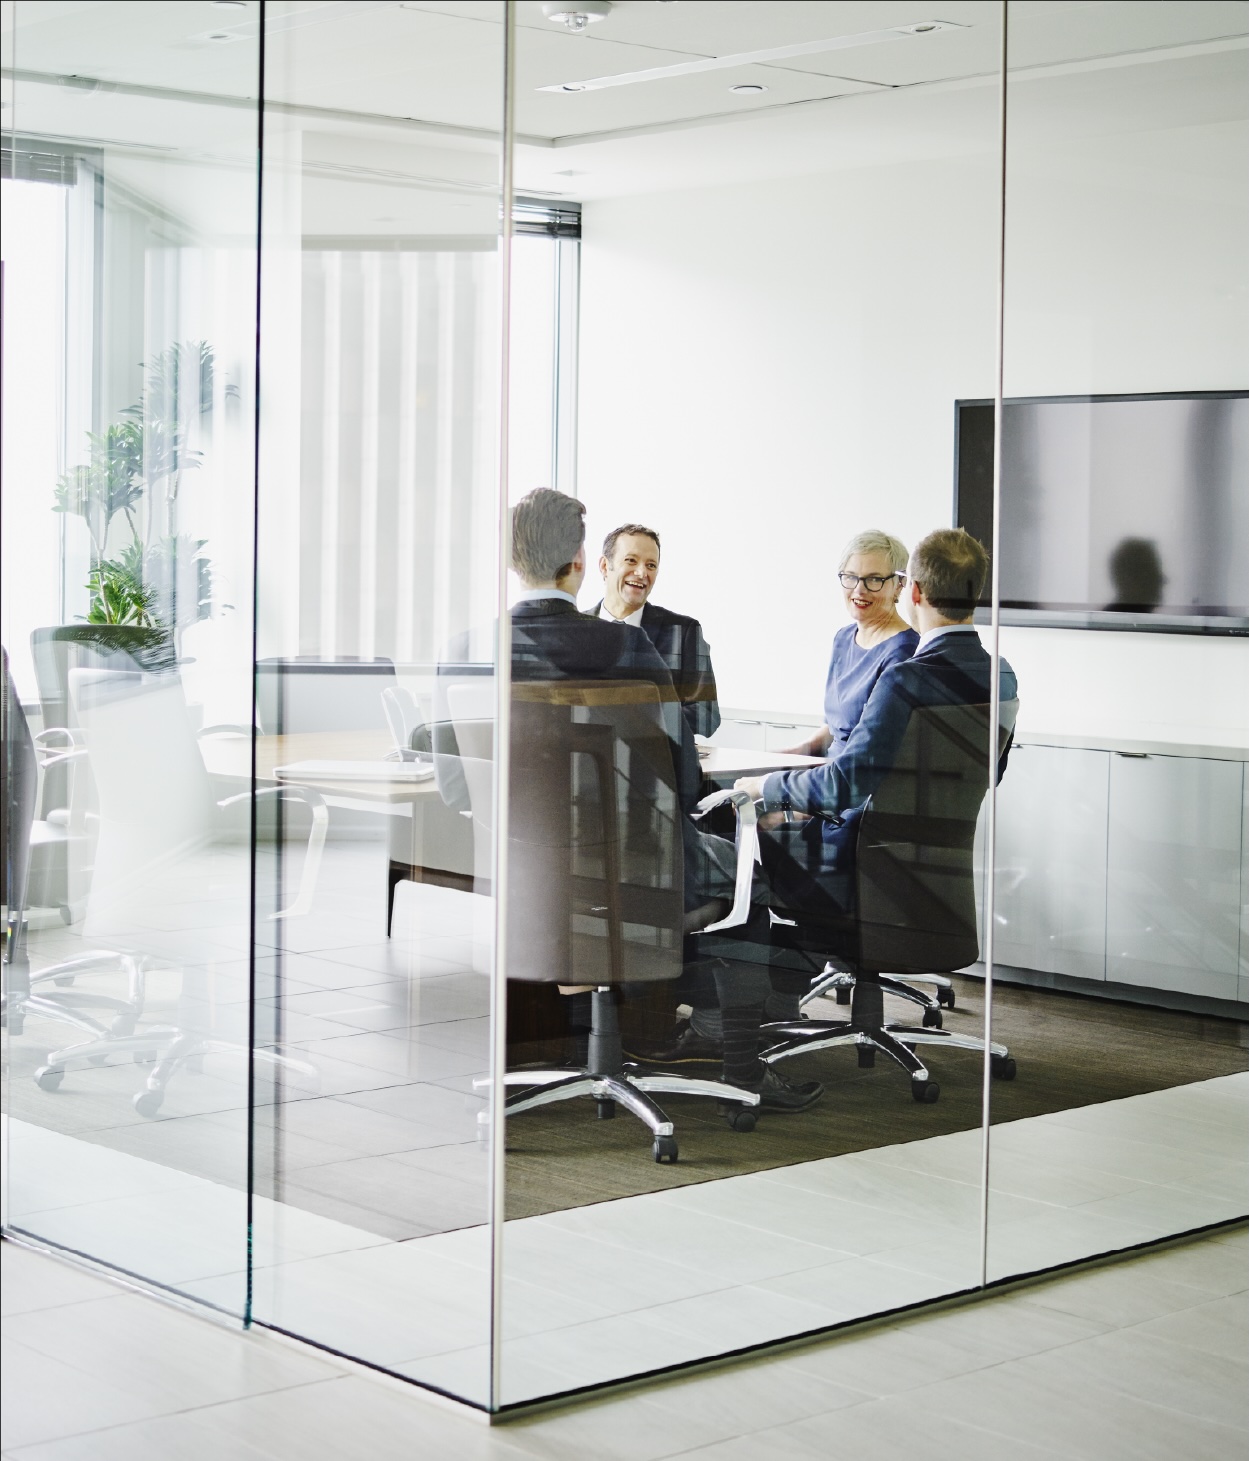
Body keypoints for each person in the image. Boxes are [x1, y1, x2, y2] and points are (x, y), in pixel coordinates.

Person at [449, 489, 820, 1111]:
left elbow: (460, 786)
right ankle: (736, 1067)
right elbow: (680, 774)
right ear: (579, 559)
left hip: (530, 879)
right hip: (633, 869)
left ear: (513, 561)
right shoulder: (627, 648)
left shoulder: (467, 650)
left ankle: (587, 1046)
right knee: (750, 874)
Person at [737, 528, 1018, 914]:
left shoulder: (905, 676)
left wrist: (765, 785)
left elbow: (847, 783)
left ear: (913, 590)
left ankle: (766, 969)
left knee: (732, 844)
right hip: (927, 868)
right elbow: (988, 774)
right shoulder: (1000, 675)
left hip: (855, 858)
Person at [787, 530, 918, 758]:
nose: (859, 589)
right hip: (828, 772)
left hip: (856, 781)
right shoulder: (843, 638)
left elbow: (873, 750)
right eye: (850, 577)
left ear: (900, 584)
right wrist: (778, 758)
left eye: (874, 579)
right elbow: (835, 729)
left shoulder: (904, 651)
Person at [592, 523, 721, 740]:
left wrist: (641, 720)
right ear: (605, 566)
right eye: (631, 560)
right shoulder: (573, 629)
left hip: (656, 766)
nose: (642, 573)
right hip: (584, 763)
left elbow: (707, 716)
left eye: (651, 565)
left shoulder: (683, 632)